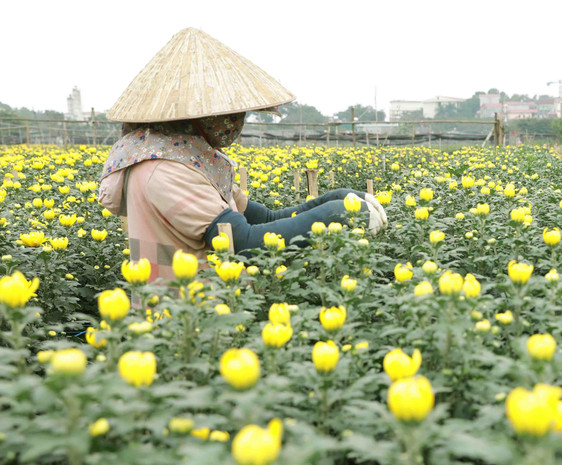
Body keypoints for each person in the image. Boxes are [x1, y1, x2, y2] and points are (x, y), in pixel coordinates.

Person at [97, 28, 387, 282]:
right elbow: (243, 243)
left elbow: (264, 219)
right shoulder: (165, 171)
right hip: (182, 320)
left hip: (215, 311)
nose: (236, 122)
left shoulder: (192, 161)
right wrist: (335, 215)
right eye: (228, 114)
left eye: (239, 114)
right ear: (194, 115)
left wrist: (336, 199)